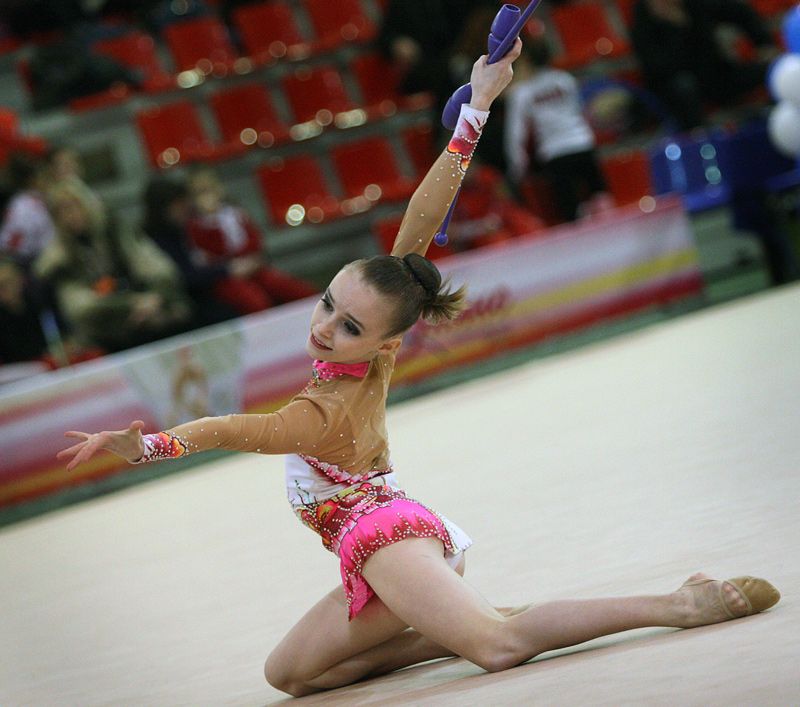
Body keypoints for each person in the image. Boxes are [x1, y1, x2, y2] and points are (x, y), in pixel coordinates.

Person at [57, 42, 780, 698]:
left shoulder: (321, 414)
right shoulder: (378, 343)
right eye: (328, 304)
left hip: (388, 539)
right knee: (292, 674)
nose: (325, 327)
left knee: (498, 647)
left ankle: (677, 603)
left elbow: (228, 429)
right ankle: (448, 622)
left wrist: (148, 446)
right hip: (385, 547)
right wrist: (477, 106)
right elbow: (424, 221)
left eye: (349, 326)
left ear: (382, 343)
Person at [35, 180, 191, 352]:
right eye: (61, 211)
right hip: (107, 328)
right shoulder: (60, 258)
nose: (70, 215)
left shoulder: (114, 230)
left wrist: (155, 296)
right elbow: (79, 306)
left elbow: (156, 265)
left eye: (74, 206)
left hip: (151, 307)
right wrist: (131, 304)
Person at [505, 38, 611, 223]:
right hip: (582, 144)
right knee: (600, 196)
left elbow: (516, 133)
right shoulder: (565, 80)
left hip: (556, 153)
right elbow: (582, 111)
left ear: (526, 61)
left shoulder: (523, 92)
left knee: (571, 210)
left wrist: (517, 167)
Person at [631, 0, 779, 131]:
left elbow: (739, 11)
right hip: (676, 89)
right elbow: (659, 67)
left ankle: (775, 121)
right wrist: (675, 26)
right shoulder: (643, 18)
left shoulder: (695, 4)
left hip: (715, 75)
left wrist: (763, 43)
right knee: (684, 86)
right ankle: (697, 139)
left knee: (773, 68)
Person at [186, 168, 317, 315]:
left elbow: (255, 240)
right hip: (227, 277)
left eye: (210, 189)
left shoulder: (235, 213)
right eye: (200, 192)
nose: (207, 196)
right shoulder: (196, 225)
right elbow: (209, 256)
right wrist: (212, 222)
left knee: (297, 290)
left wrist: (252, 260)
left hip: (253, 267)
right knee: (255, 302)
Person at [142, 176, 239, 328]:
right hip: (185, 299)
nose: (184, 210)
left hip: (206, 287)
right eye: (178, 206)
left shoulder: (184, 228)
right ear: (163, 209)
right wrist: (227, 270)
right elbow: (183, 277)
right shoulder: (155, 240)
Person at [0, 152, 56, 268]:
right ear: (33, 181)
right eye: (45, 178)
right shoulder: (25, 206)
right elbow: (11, 245)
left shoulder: (25, 201)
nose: (49, 182)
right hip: (23, 261)